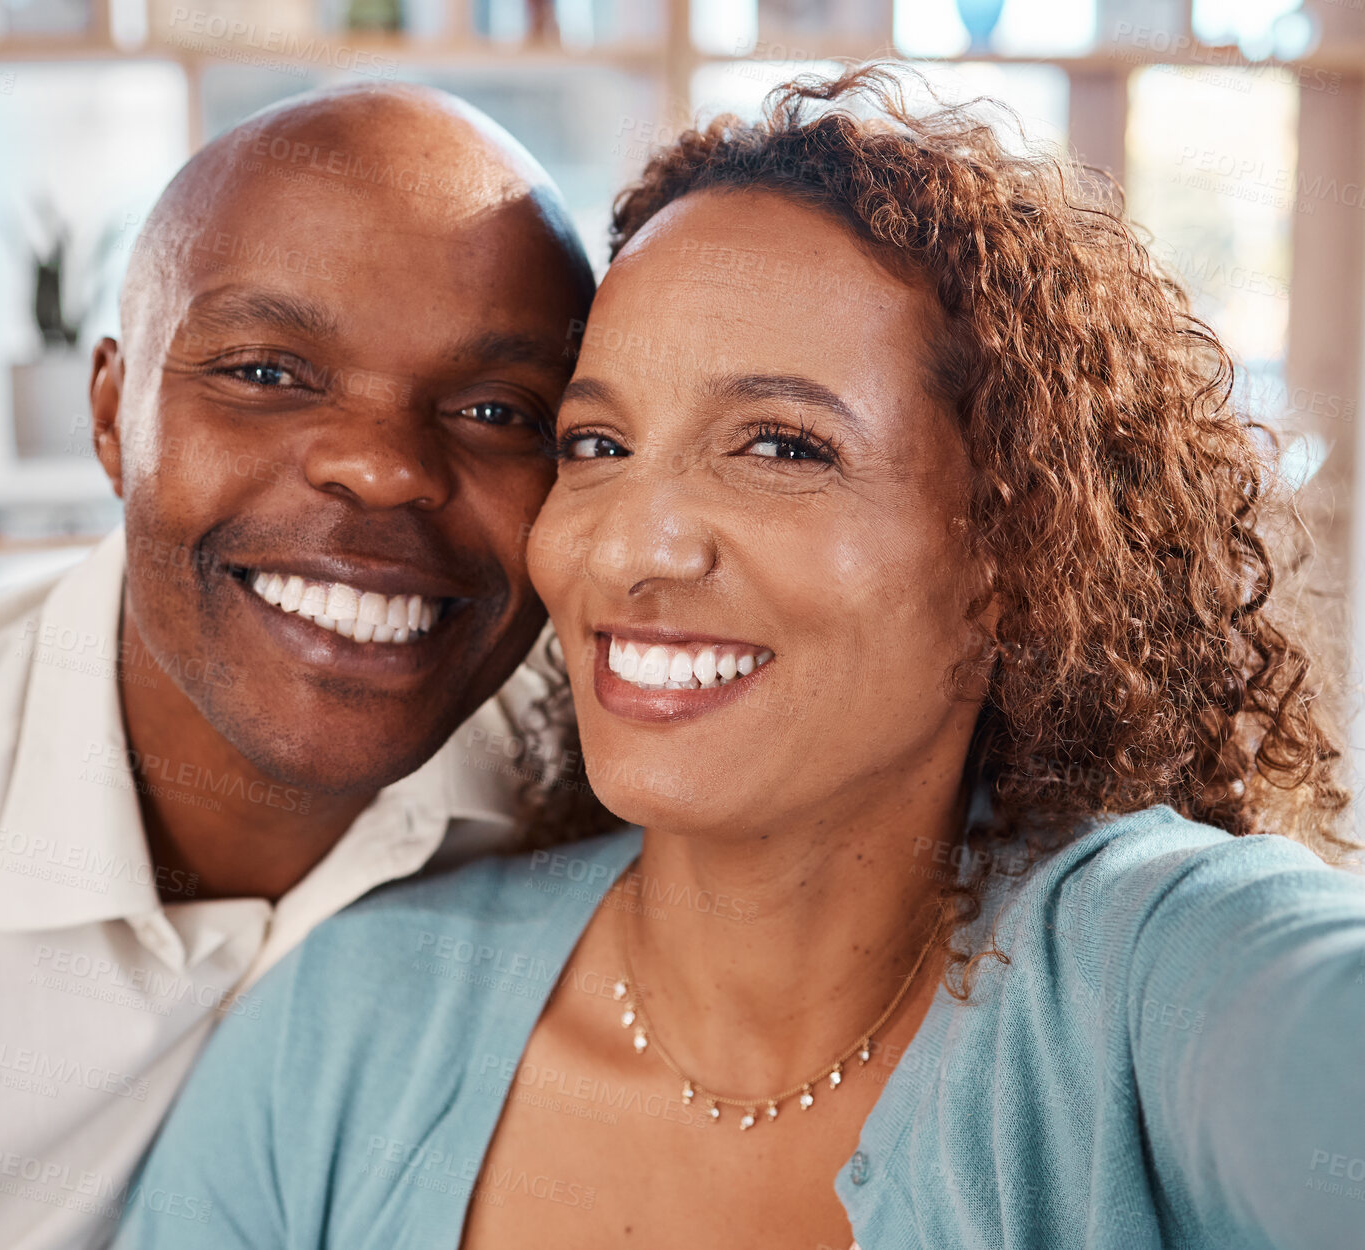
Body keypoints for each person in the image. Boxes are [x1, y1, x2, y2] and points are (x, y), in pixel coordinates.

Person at [116, 67, 1365, 1250]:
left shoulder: (1150, 974)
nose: (628, 551)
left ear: (1013, 546)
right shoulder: (348, 1025)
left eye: (778, 446)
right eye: (594, 444)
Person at [0, 83, 600, 1249]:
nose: (379, 468)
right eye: (267, 372)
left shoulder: (588, 793)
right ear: (110, 416)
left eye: (496, 408)